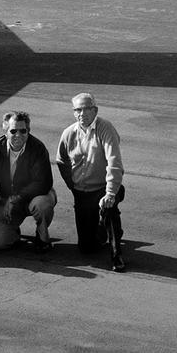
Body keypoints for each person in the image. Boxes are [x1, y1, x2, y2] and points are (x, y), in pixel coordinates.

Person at [57, 92, 126, 272]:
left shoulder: (105, 128)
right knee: (86, 248)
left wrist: (110, 192)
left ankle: (116, 253)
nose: (82, 113)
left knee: (109, 207)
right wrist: (71, 183)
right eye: (78, 110)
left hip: (104, 188)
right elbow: (61, 160)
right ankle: (102, 228)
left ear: (95, 110)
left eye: (87, 109)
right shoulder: (68, 133)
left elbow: (114, 162)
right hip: (82, 191)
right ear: (74, 112)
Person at [0, 111, 56, 251]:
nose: (18, 135)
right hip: (7, 202)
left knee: (42, 205)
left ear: (28, 131)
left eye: (23, 131)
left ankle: (42, 234)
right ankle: (13, 232)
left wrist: (14, 199)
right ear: (5, 131)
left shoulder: (38, 148)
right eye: (13, 131)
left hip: (35, 197)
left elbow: (43, 183)